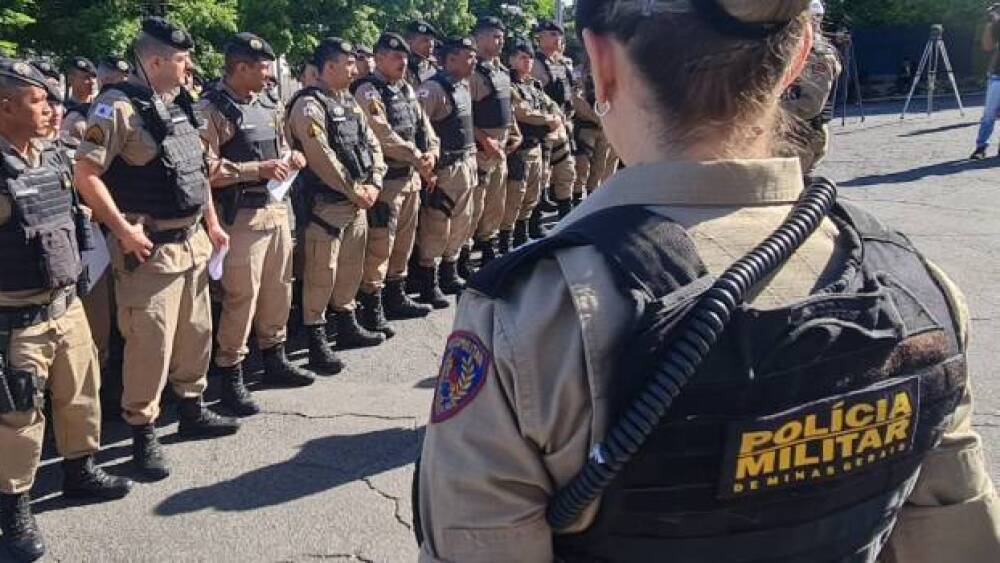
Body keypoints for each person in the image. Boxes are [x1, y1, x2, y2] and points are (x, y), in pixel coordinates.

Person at [416, 1, 1000, 562]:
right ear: (798, 57)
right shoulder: (919, 289)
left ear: (601, 64)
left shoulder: (536, 316)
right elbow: (960, 536)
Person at [73, 17, 240, 482]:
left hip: (192, 244)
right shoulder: (116, 108)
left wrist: (212, 222)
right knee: (150, 346)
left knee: (195, 334)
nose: (190, 67)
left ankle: (191, 408)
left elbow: (197, 169)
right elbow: (85, 175)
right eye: (183, 59)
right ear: (156, 61)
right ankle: (142, 433)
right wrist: (122, 233)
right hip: (150, 252)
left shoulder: (180, 102)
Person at [0, 58, 132, 563]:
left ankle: (80, 470)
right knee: (18, 419)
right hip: (16, 321)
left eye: (54, 100)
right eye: (40, 101)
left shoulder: (54, 154)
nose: (53, 110)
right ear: (6, 106)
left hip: (65, 303)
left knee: (81, 393)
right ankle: (13, 508)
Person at [197, 32, 317, 417]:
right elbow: (204, 170)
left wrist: (291, 158)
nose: (268, 75)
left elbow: (281, 146)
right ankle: (231, 373)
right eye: (263, 67)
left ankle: (274, 356)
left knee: (278, 289)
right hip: (239, 217)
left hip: (275, 208)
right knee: (240, 298)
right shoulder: (211, 109)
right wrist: (256, 170)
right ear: (240, 67)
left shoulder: (268, 103)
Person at [286, 38, 387, 373]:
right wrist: (355, 188)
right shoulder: (308, 105)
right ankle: (315, 338)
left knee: (350, 268)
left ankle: (346, 323)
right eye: (347, 63)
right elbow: (321, 156)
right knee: (320, 274)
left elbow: (370, 142)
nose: (354, 68)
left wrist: (373, 182)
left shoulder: (348, 101)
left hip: (357, 201)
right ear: (329, 67)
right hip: (325, 207)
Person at [352, 32, 439, 334]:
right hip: (387, 181)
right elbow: (382, 133)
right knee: (380, 247)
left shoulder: (405, 88)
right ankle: (371, 307)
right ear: (378, 58)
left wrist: (431, 152)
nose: (402, 62)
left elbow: (423, 125)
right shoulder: (368, 91)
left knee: (403, 244)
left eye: (404, 57)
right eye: (394, 57)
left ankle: (396, 296)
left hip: (410, 178)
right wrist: (418, 157)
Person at [414, 37, 479, 304]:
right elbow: (419, 130)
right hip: (444, 170)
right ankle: (428, 283)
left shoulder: (462, 86)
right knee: (436, 226)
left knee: (461, 223)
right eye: (468, 56)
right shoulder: (432, 89)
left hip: (465, 164)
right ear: (451, 59)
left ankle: (449, 273)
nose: (473, 61)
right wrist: (427, 170)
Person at [469, 16, 519, 266]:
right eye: (495, 37)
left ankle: (488, 247)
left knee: (496, 203)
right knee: (474, 205)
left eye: (502, 37)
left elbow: (508, 107)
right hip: (481, 148)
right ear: (479, 38)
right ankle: (462, 258)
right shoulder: (472, 73)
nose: (501, 42)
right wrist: (485, 141)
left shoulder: (501, 71)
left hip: (501, 146)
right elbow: (464, 114)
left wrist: (514, 132)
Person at [504, 40, 561, 249]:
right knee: (515, 197)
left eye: (529, 58)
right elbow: (523, 112)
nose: (527, 62)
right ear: (511, 60)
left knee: (532, 195)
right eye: (522, 58)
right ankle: (505, 241)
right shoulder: (510, 86)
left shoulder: (533, 84)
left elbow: (551, 104)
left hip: (537, 146)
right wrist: (549, 119)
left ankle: (522, 234)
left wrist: (555, 116)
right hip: (519, 149)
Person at [781, 0, 842, 173]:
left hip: (803, 136)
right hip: (784, 133)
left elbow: (810, 105)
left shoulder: (819, 56)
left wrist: (767, 111)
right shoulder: (789, 50)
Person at [533, 20, 577, 218]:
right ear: (541, 38)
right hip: (545, 126)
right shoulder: (535, 64)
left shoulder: (559, 63)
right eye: (553, 35)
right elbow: (536, 97)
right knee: (541, 176)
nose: (558, 39)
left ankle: (565, 212)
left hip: (563, 123)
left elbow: (568, 91)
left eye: (559, 35)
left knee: (566, 170)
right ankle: (531, 223)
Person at [972, 3, 1000, 160]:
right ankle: (981, 147)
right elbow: (987, 46)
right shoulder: (997, 25)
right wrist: (990, 24)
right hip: (998, 75)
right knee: (989, 114)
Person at [60, 57, 98, 144]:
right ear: (71, 79)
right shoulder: (61, 110)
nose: (92, 82)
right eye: (86, 77)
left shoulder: (98, 108)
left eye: (93, 77)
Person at [405, 20, 441, 88]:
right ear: (409, 41)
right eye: (425, 40)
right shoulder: (399, 67)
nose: (431, 44)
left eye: (432, 40)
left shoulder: (434, 67)